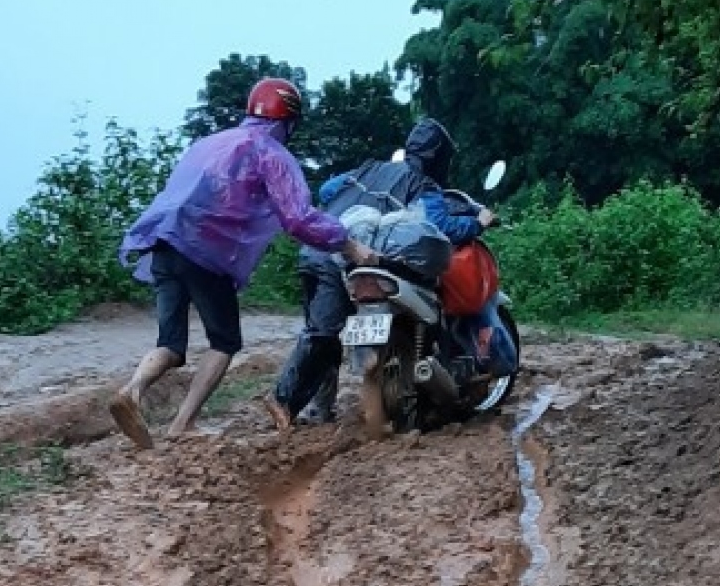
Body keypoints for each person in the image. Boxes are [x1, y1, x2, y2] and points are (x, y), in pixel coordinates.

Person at [108, 77, 377, 450]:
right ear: (290, 121)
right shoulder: (270, 154)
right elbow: (298, 218)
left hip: (165, 243)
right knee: (224, 341)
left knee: (171, 343)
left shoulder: (209, 143)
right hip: (204, 255)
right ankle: (182, 423)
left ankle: (132, 390)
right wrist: (347, 243)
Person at [263, 118, 509, 429]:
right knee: (323, 334)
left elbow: (327, 190)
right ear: (440, 157)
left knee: (321, 330)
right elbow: (442, 226)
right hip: (344, 257)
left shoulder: (367, 169)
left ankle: (320, 408)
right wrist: (478, 223)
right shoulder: (423, 184)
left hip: (315, 251)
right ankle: (284, 400)